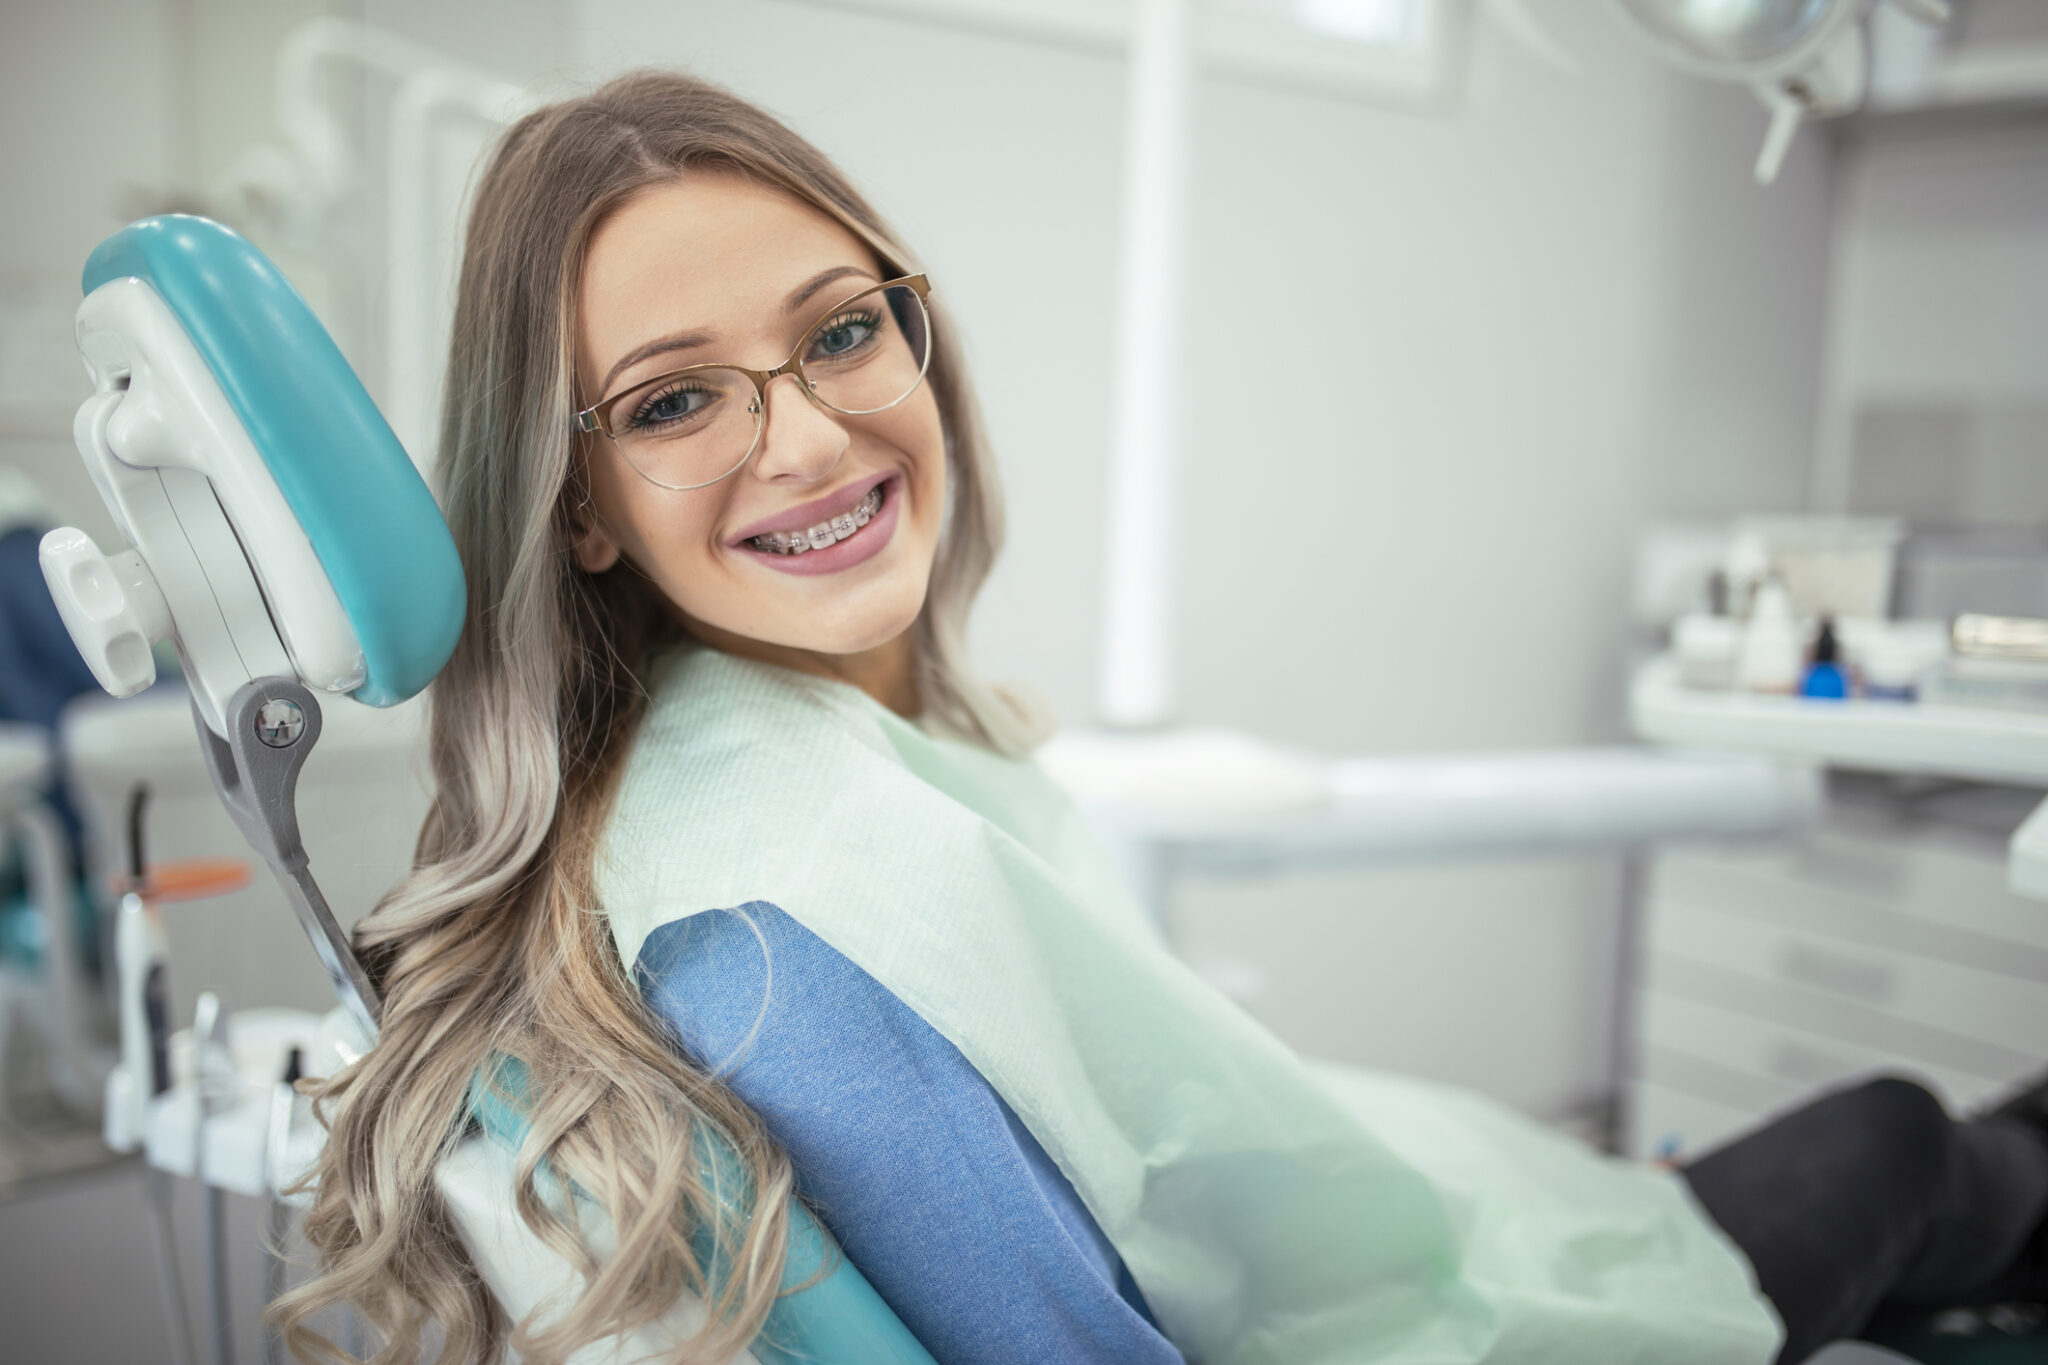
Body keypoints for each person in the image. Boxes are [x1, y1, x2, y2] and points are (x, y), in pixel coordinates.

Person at [278, 71, 2048, 1365]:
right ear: (570, 502)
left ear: (916, 337)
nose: (807, 438)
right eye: (673, 400)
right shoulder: (770, 934)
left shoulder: (748, 769)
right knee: (1898, 1130)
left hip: (1420, 1224)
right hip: (1416, 1326)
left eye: (839, 336)